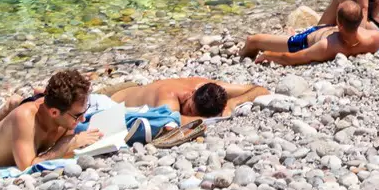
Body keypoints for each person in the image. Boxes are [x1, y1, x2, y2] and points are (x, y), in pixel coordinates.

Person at [243, 0, 379, 65]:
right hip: (327, 31)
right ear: (360, 22)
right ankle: (289, 33)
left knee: (253, 40)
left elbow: (292, 58)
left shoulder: (326, 46)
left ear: (339, 23)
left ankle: (241, 56)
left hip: (303, 41)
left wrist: (268, 55)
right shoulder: (374, 39)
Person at [108, 76, 267, 119]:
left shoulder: (210, 89)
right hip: (112, 100)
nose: (189, 114)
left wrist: (232, 103)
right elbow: (169, 123)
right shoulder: (169, 97)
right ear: (192, 93)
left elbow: (260, 90)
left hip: (138, 90)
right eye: (189, 109)